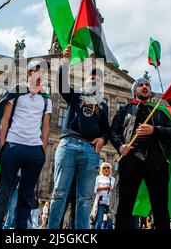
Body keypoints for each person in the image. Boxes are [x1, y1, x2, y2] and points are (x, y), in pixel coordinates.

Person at [48, 45, 110, 229]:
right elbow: (61, 84)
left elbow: (106, 130)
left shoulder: (104, 106)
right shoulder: (75, 95)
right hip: (68, 144)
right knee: (59, 192)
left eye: (98, 78)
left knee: (85, 198)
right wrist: (65, 62)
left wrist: (103, 140)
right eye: (92, 76)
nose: (94, 79)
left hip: (90, 150)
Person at [0, 60, 52, 230]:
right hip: (13, 145)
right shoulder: (17, 91)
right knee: (3, 192)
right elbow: (5, 119)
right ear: (30, 72)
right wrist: (3, 147)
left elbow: (46, 127)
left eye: (44, 71)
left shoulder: (46, 98)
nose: (42, 73)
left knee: (26, 195)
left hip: (34, 150)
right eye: (39, 69)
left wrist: (42, 150)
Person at [110, 78, 171, 229]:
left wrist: (155, 130)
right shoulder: (125, 109)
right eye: (140, 85)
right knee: (125, 204)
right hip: (131, 158)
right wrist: (120, 146)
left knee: (160, 206)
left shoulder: (160, 110)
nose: (144, 87)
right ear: (134, 91)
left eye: (147, 85)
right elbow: (114, 131)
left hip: (157, 161)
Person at [92, 163, 116, 229]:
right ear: (101, 169)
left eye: (108, 167)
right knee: (99, 220)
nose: (106, 169)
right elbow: (95, 190)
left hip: (110, 202)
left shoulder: (113, 179)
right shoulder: (98, 177)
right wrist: (103, 188)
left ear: (110, 169)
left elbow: (114, 190)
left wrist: (112, 189)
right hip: (100, 201)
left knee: (109, 221)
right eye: (104, 168)